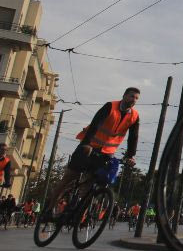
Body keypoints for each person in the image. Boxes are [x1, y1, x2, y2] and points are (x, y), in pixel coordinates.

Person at [46, 88, 139, 218]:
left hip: (106, 153)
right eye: (131, 96)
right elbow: (96, 124)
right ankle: (49, 210)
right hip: (89, 146)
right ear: (124, 96)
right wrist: (87, 143)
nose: (133, 100)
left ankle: (79, 215)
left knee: (91, 184)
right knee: (69, 177)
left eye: (136, 98)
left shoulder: (134, 116)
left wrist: (130, 156)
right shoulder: (110, 106)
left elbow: (133, 137)